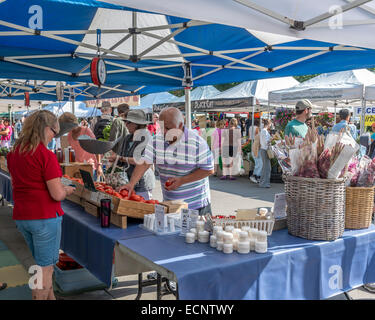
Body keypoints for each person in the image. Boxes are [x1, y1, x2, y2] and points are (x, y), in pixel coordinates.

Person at [7, 110, 75, 300]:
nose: (54, 136)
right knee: (43, 273)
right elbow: (57, 194)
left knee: (42, 266)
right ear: (47, 129)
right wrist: (67, 190)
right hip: (44, 218)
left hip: (22, 216)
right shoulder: (46, 155)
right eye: (55, 132)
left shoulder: (14, 153)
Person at [119, 107, 214, 215]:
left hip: (196, 206)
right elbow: (145, 162)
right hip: (170, 204)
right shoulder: (156, 140)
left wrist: (182, 180)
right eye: (162, 126)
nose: (164, 132)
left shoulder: (197, 143)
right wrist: (131, 184)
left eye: (168, 128)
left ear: (180, 126)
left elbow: (208, 170)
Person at [109, 110, 155, 200]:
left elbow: (141, 161)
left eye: (127, 122)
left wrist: (121, 158)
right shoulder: (127, 138)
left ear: (136, 124)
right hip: (128, 181)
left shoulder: (147, 138)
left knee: (141, 209)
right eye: (125, 122)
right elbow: (121, 158)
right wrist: (114, 159)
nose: (125, 125)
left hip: (143, 182)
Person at [58, 112, 103, 180]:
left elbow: (96, 147)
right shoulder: (69, 135)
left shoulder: (86, 130)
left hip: (89, 166)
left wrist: (99, 165)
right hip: (76, 168)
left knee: (89, 189)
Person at [259, 119, 272, 188]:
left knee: (265, 167)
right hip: (265, 150)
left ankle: (263, 182)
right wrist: (271, 139)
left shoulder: (263, 131)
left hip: (263, 149)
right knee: (267, 168)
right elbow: (266, 142)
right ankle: (265, 183)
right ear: (268, 124)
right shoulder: (264, 131)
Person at [249, 118, 262, 184]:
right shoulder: (257, 128)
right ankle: (255, 175)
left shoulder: (250, 127)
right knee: (259, 163)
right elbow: (257, 135)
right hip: (256, 144)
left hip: (252, 142)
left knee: (258, 163)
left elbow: (250, 136)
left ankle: (256, 175)